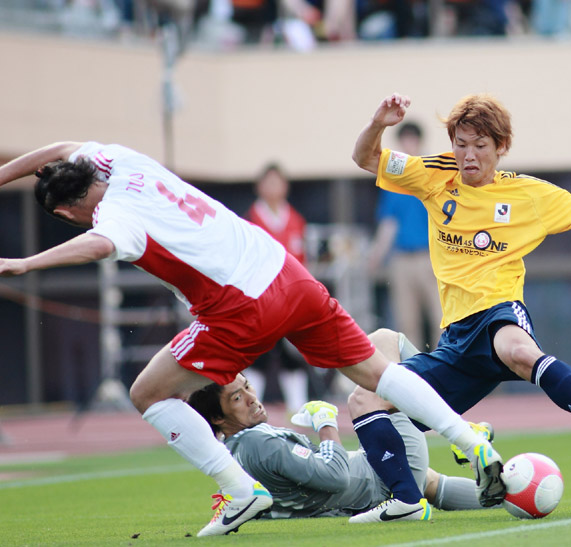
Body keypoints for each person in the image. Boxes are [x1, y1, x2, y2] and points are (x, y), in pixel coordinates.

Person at [0, 141, 505, 535]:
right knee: (375, 371)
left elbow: (99, 243)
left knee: (147, 392)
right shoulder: (118, 158)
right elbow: (58, 148)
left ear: (65, 213)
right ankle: (469, 440)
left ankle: (239, 489)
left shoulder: (113, 219)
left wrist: (26, 262)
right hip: (288, 274)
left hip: (240, 305)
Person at [352, 93, 571, 473]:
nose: (468, 156)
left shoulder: (528, 194)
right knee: (383, 405)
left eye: (480, 146)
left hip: (499, 311)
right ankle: (434, 472)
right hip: (455, 338)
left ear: (501, 147)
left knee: (519, 352)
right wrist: (378, 124)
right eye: (461, 144)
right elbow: (366, 159)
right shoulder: (436, 173)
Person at [187, 329, 493, 521]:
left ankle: (508, 494)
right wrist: (325, 422)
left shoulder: (235, 452)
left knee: (429, 481)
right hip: (381, 481)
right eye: (238, 398)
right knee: (384, 343)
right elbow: (335, 478)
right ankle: (462, 432)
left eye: (248, 387)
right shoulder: (256, 442)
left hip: (370, 481)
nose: (253, 399)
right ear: (217, 417)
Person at [369, 123, 442, 353]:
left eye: (412, 140)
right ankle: (415, 376)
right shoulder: (394, 181)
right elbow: (388, 225)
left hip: (428, 257)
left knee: (442, 319)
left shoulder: (432, 177)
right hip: (401, 259)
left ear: (420, 143)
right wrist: (376, 257)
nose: (408, 145)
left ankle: (450, 373)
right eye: (405, 141)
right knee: (407, 322)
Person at [243, 163, 310, 414]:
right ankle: (251, 408)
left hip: (290, 298)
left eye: (277, 182)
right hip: (260, 297)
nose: (273, 187)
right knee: (257, 353)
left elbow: (302, 261)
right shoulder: (249, 219)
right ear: (259, 187)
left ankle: (299, 407)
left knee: (292, 353)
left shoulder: (295, 220)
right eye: (268, 182)